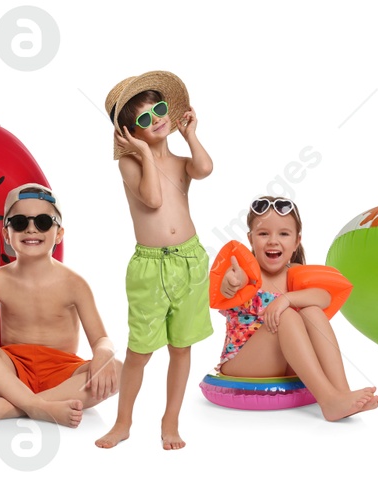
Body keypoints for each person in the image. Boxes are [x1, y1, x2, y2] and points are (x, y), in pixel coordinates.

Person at [0, 184, 121, 429]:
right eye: (20, 222)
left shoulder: (74, 284)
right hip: (11, 370)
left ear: (60, 233)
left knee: (119, 369)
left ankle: (16, 407)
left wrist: (104, 353)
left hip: (63, 371)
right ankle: (39, 407)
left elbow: (100, 339)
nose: (31, 228)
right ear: (6, 234)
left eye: (43, 221)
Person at [95, 71, 215, 451]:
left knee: (181, 347)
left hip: (190, 261)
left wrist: (190, 134)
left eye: (159, 110)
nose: (157, 119)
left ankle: (171, 421)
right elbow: (152, 199)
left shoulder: (182, 161)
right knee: (140, 350)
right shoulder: (130, 165)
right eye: (144, 119)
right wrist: (145, 153)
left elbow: (206, 168)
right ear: (129, 132)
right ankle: (124, 421)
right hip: (150, 267)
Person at [215, 196, 378, 420]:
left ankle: (341, 392)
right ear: (251, 240)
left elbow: (323, 297)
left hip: (285, 360)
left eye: (283, 234)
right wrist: (230, 284)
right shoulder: (246, 273)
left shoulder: (295, 273)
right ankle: (329, 401)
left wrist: (286, 299)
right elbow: (227, 287)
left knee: (311, 310)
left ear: (296, 242)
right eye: (264, 234)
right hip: (244, 362)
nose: (273, 241)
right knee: (289, 317)